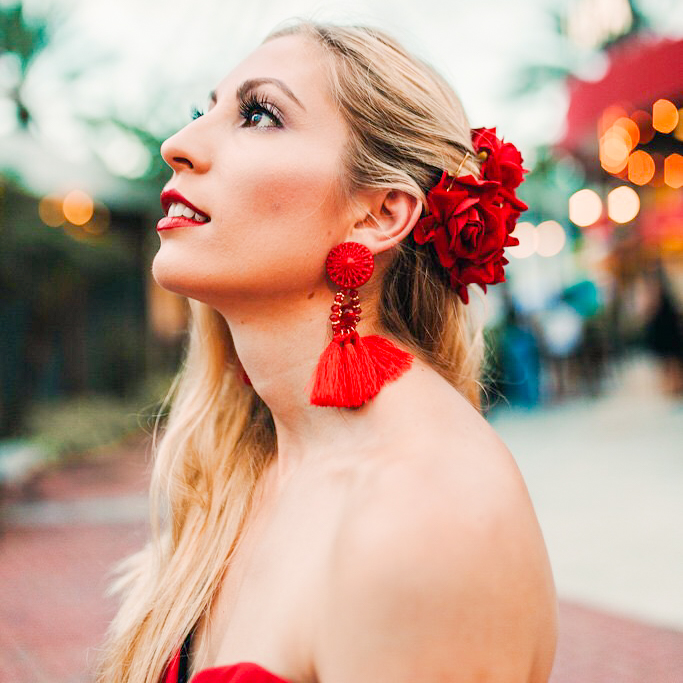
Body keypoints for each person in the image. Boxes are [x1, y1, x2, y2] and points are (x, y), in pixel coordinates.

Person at [95, 20, 557, 683]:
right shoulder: (250, 464)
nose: (178, 144)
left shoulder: (422, 514)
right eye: (205, 110)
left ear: (378, 214)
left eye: (258, 114)